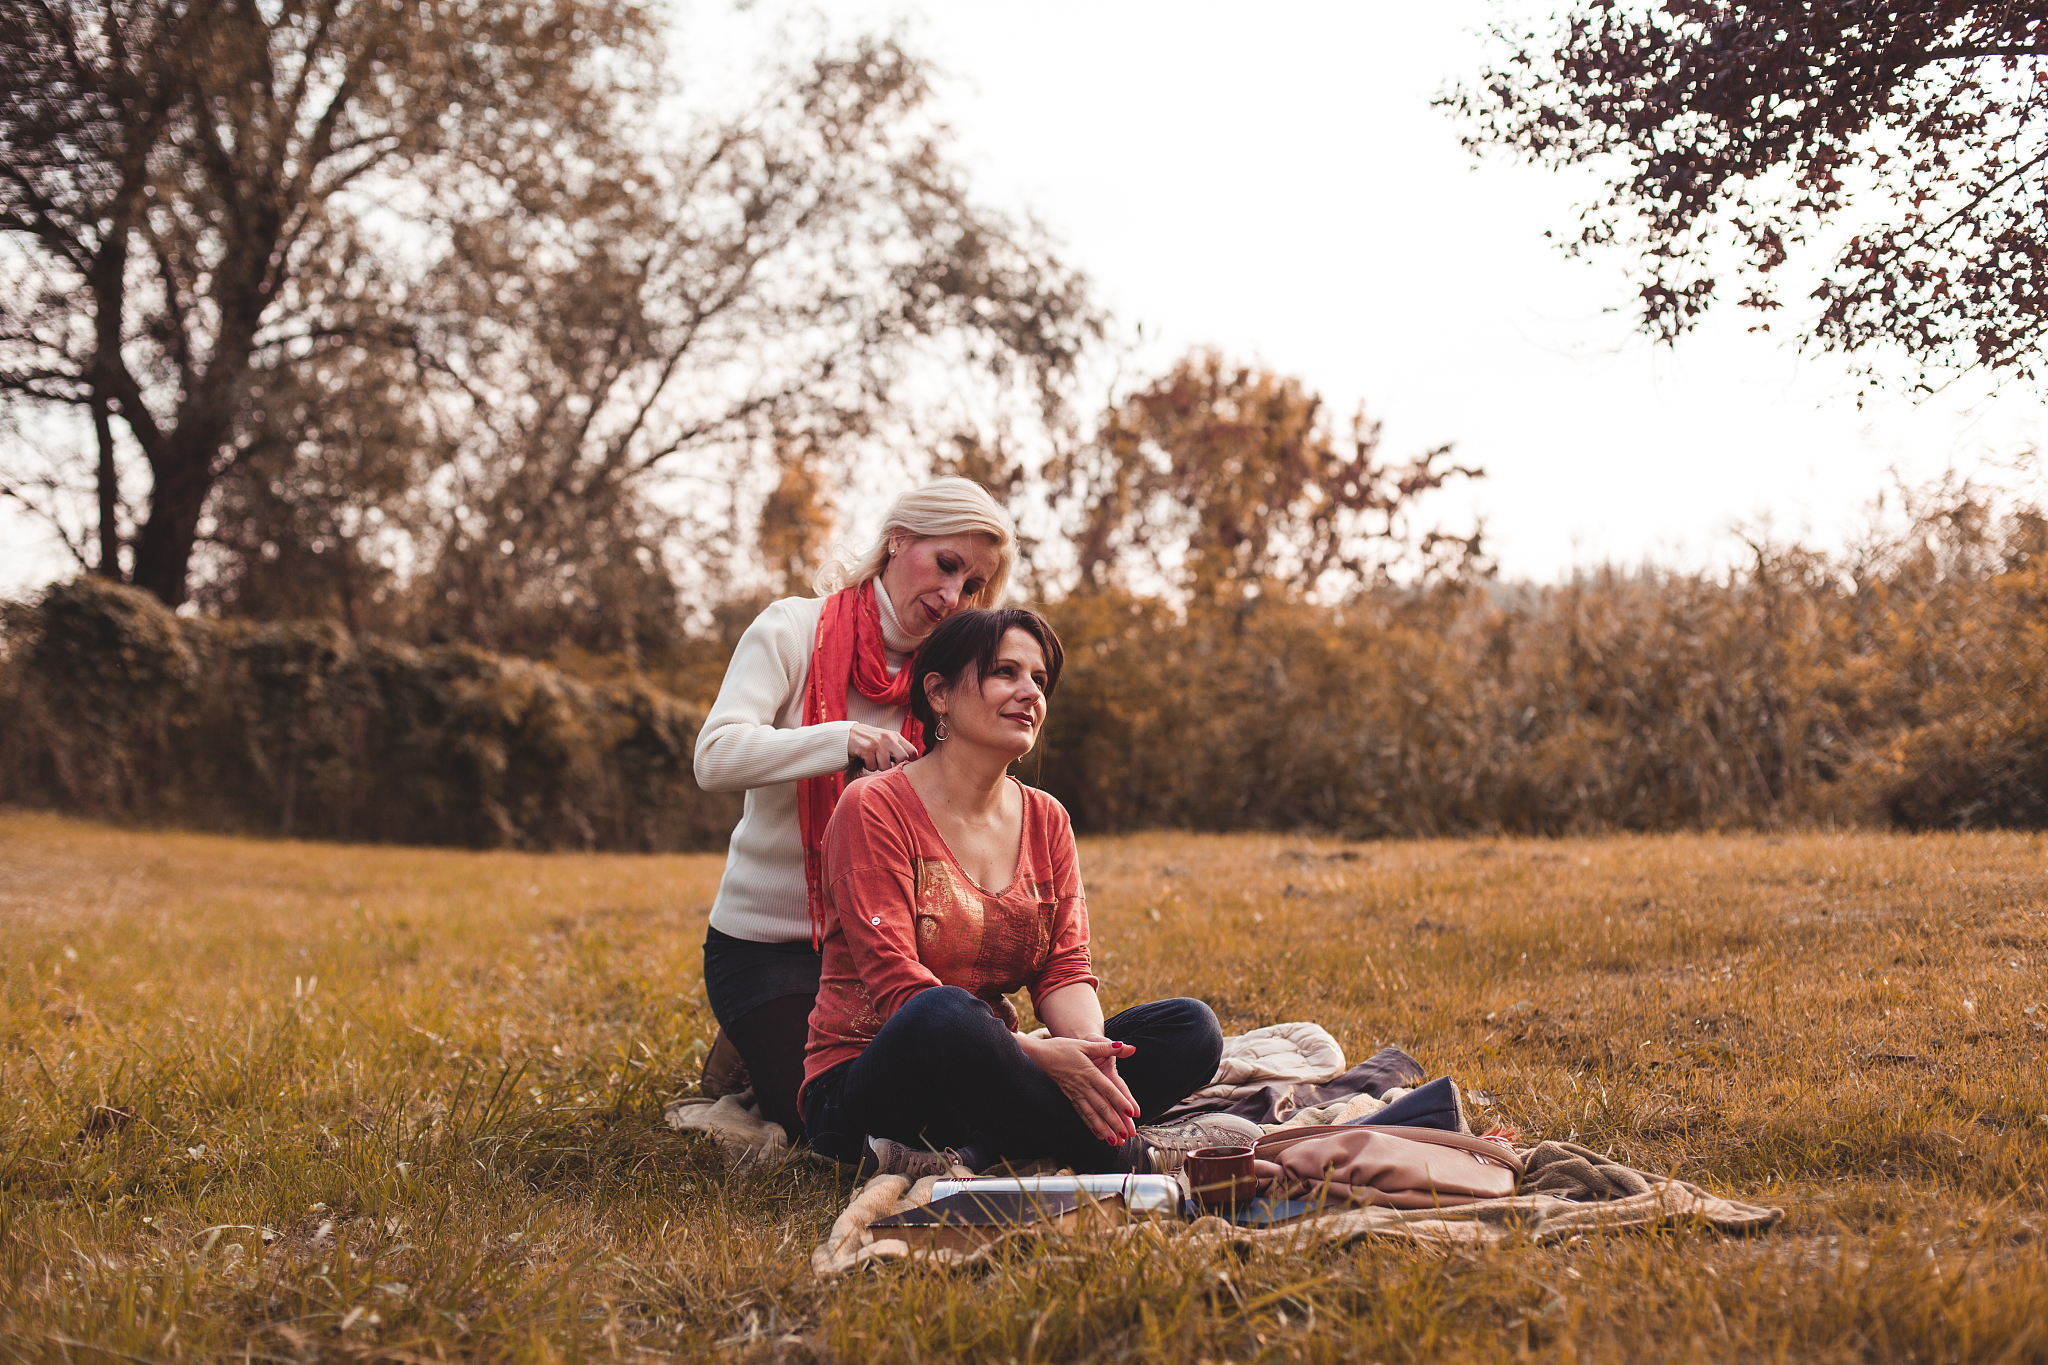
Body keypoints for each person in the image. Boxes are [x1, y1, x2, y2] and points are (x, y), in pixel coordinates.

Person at [797, 607, 1259, 1178]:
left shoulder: (1047, 818)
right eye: (1006, 673)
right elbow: (899, 990)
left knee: (1191, 1030)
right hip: (875, 1077)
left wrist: (1091, 1062)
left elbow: (1064, 968)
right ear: (938, 693)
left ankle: (985, 1149)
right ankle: (1120, 1154)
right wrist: (1040, 1056)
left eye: (1039, 680)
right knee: (944, 1015)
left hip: (994, 1069)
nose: (1029, 693)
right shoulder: (873, 807)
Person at [694, 478, 1015, 1141]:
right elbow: (715, 756)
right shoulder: (792, 627)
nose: (953, 596)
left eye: (973, 585)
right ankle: (757, 1029)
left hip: (881, 942)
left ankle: (775, 1042)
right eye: (947, 564)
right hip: (767, 944)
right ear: (898, 539)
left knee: (944, 1109)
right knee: (831, 1129)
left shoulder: (949, 679)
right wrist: (843, 738)